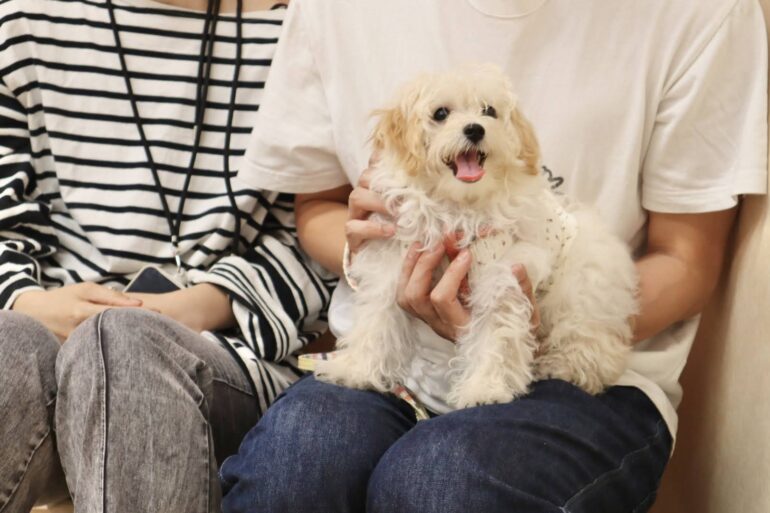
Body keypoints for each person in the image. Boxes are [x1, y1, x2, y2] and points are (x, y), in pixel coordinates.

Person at [218, 0, 769, 512]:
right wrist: (373, 249)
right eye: (442, 115)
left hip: (584, 375)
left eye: (487, 113)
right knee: (290, 475)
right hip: (398, 366)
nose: (472, 125)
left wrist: (538, 328)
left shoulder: (702, 13)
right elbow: (317, 206)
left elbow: (688, 259)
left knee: (440, 483)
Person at [0, 0, 335, 511]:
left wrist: (201, 304)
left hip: (229, 358)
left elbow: (325, 235)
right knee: (7, 345)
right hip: (48, 336)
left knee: (122, 344)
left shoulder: (305, 30)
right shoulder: (23, 20)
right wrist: (26, 302)